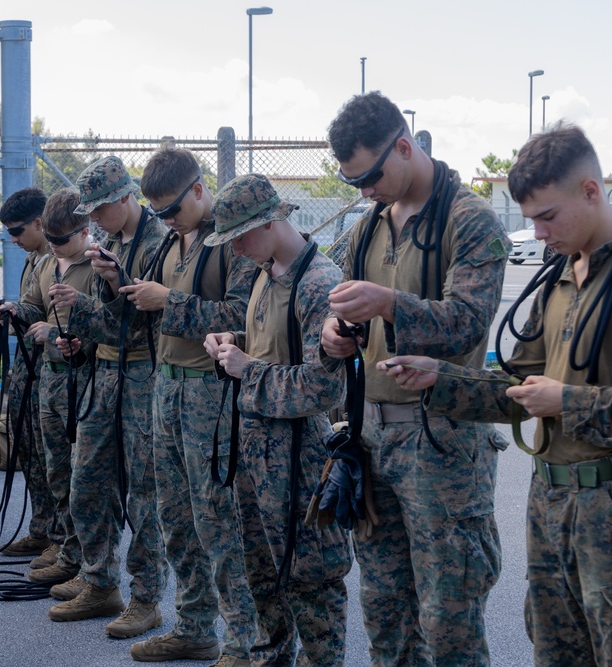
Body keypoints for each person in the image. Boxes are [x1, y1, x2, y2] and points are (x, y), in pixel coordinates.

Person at [385, 123, 612, 666]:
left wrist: (568, 403)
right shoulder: (556, 278)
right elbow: (518, 388)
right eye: (530, 219)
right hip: (549, 503)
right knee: (554, 650)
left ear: (591, 192)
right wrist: (441, 377)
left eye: (548, 216)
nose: (538, 231)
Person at [319, 92, 510, 666]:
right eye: (353, 183)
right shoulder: (370, 225)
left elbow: (468, 322)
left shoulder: (469, 218)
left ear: (405, 147)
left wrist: (390, 303)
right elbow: (348, 317)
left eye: (370, 176)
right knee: (384, 608)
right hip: (372, 439)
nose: (364, 191)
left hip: (441, 443)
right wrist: (335, 335)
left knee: (449, 616)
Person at [204, 174, 352, 666]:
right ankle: (271, 655)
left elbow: (324, 388)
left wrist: (250, 370)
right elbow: (268, 353)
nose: (236, 250)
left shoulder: (318, 284)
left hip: (300, 453)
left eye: (239, 237)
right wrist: (232, 347)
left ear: (271, 221)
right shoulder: (266, 273)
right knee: (261, 569)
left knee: (312, 577)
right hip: (256, 444)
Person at [120, 148, 258, 666]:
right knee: (175, 518)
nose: (166, 221)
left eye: (172, 210)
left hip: (211, 393)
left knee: (220, 522)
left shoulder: (235, 241)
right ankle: (195, 626)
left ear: (199, 190)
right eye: (157, 214)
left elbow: (247, 317)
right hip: (168, 388)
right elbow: (148, 311)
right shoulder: (172, 243)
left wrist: (168, 303)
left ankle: (244, 640)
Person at [42, 156, 169, 638]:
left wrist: (114, 289)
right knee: (87, 480)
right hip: (105, 373)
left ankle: (146, 598)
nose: (91, 220)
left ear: (124, 198)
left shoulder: (159, 243)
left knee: (144, 493)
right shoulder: (110, 243)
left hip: (144, 377)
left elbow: (148, 323)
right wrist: (81, 327)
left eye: (98, 209)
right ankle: (99, 580)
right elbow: (107, 324)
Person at [0, 187, 93, 585]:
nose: (52, 246)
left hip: (79, 381)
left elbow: (103, 328)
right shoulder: (49, 262)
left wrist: (55, 334)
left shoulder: (98, 266)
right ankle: (61, 543)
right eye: (50, 241)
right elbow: (34, 304)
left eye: (60, 239)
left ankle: (80, 557)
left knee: (80, 476)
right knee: (54, 468)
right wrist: (12, 310)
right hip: (48, 378)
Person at [0, 187, 60, 561]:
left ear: (40, 222)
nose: (14, 240)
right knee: (31, 452)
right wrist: (12, 311)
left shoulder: (57, 257)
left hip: (50, 368)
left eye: (18, 232)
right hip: (30, 365)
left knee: (51, 456)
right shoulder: (36, 257)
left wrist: (23, 312)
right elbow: (35, 308)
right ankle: (42, 528)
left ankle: (59, 536)